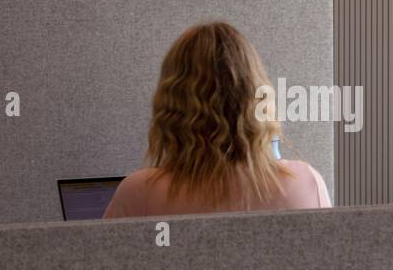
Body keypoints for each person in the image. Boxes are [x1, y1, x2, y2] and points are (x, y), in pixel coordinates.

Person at [104, 21, 330, 218]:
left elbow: (103, 266)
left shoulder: (140, 193)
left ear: (171, 103)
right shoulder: (304, 183)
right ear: (257, 96)